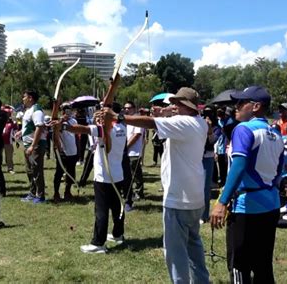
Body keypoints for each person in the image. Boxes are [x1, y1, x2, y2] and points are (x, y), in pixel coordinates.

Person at [102, 87, 210, 283]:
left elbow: (150, 123)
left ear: (185, 106)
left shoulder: (183, 123)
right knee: (194, 246)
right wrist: (166, 113)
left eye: (176, 103)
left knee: (175, 253)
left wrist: (117, 117)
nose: (172, 106)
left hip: (179, 199)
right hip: (195, 199)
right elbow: (164, 122)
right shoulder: (200, 122)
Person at [210, 86, 284, 284]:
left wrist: (222, 201)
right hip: (271, 204)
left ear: (256, 106)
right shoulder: (276, 133)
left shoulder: (243, 129)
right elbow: (279, 171)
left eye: (242, 103)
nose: (237, 106)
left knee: (238, 265)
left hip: (246, 207)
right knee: (263, 265)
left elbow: (239, 166)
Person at [53, 102, 127, 254]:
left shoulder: (104, 129)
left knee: (101, 210)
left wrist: (63, 127)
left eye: (102, 111)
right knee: (117, 206)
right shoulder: (122, 128)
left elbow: (81, 129)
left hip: (103, 177)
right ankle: (118, 234)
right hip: (117, 175)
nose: (99, 113)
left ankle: (98, 243)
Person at [17, 90, 47, 204]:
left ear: (30, 98)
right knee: (29, 170)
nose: (22, 99)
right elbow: (30, 126)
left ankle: (40, 195)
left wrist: (33, 146)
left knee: (36, 170)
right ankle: (32, 193)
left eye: (24, 97)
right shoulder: (28, 111)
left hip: (35, 145)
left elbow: (39, 127)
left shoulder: (37, 110)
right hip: (27, 145)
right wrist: (21, 132)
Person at [52, 105, 78, 202]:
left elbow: (76, 136)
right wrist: (61, 121)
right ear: (62, 112)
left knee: (71, 173)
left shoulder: (74, 121)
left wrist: (78, 150)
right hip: (63, 152)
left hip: (73, 151)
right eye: (66, 111)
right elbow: (56, 133)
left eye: (69, 111)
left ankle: (67, 192)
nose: (68, 113)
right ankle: (56, 193)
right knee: (59, 173)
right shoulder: (58, 122)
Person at [123, 101, 145, 201]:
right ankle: (129, 192)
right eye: (125, 108)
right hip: (127, 152)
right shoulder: (125, 120)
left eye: (129, 108)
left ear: (134, 108)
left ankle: (139, 192)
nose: (127, 110)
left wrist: (126, 147)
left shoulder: (137, 120)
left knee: (136, 174)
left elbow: (136, 135)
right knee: (127, 174)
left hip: (134, 152)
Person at [2, 107, 17, 174]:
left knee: (9, 156)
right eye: (5, 113)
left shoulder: (13, 122)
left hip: (8, 142)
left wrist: (16, 140)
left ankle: (10, 168)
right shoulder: (0, 120)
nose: (6, 114)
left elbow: (16, 131)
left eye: (8, 113)